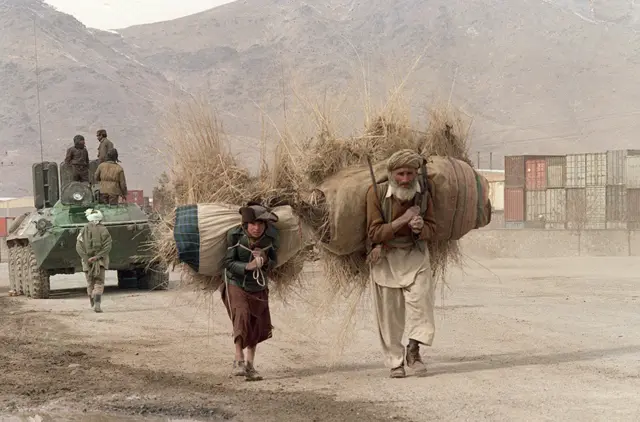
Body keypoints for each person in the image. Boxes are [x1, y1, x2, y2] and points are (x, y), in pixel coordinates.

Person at [365, 149, 437, 379]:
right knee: (390, 314)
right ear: (391, 174)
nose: (405, 179)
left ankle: (414, 352)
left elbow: (434, 228)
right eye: (400, 174)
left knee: (421, 305)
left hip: (416, 256)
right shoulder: (376, 193)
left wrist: (420, 228)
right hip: (385, 257)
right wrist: (403, 220)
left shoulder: (424, 193)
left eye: (409, 173)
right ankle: (395, 362)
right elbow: (375, 233)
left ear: (417, 173)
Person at [221, 202, 279, 382]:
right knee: (242, 315)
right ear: (246, 225)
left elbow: (274, 262)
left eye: (260, 224)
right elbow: (228, 263)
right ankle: (238, 358)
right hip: (236, 283)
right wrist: (248, 266)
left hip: (258, 286)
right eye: (253, 224)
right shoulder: (234, 236)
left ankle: (250, 366)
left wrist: (264, 260)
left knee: (256, 323)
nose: (256, 228)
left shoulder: (270, 239)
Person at [76, 208, 112, 313]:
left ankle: (91, 301)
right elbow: (107, 246)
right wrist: (97, 257)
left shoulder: (83, 230)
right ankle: (97, 303)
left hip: (87, 262)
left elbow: (79, 246)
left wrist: (87, 258)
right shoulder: (104, 230)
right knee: (99, 282)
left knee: (90, 282)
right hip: (100, 261)